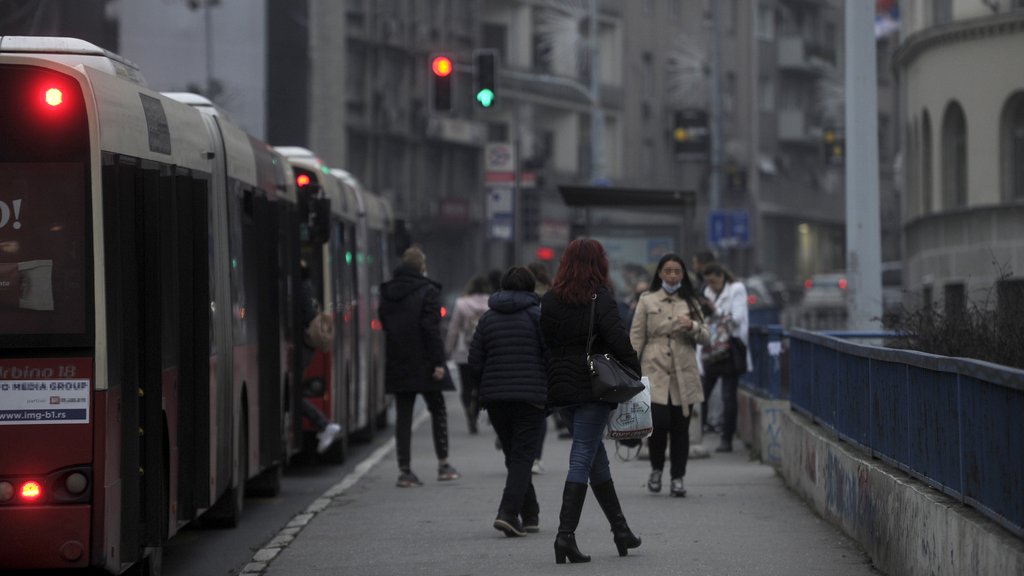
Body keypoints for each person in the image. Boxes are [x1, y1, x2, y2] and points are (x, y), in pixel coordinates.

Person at [540, 238, 642, 564]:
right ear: (599, 263)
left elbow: (546, 342)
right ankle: (564, 536)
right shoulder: (601, 297)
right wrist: (634, 371)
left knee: (595, 455)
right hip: (592, 386)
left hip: (560, 388)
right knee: (583, 454)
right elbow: (617, 339)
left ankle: (621, 530)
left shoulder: (551, 299)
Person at [469, 266, 548, 537]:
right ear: (530, 287)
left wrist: (483, 388)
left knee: (514, 455)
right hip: (531, 397)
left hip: (495, 398)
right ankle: (507, 512)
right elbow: (550, 356)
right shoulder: (538, 317)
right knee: (523, 455)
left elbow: (474, 360)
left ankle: (531, 513)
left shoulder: (488, 318)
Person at [629, 254, 710, 497]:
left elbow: (706, 335)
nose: (672, 275)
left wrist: (692, 326)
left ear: (683, 274)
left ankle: (677, 477)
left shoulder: (691, 302)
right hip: (653, 368)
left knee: (681, 428)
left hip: (683, 368)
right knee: (658, 424)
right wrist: (631, 370)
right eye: (667, 271)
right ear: (660, 274)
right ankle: (656, 469)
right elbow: (636, 336)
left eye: (677, 271)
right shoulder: (647, 300)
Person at [378, 246, 461, 486]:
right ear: (422, 267)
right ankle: (443, 464)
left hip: (398, 360)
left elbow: (384, 322)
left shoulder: (387, 292)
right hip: (424, 361)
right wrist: (438, 362)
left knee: (403, 416)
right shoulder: (428, 291)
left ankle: (405, 470)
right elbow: (430, 329)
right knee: (438, 409)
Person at [699, 262, 750, 453]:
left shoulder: (736, 289)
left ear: (722, 277)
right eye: (708, 282)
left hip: (730, 351)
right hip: (711, 350)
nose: (711, 286)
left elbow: (737, 318)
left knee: (729, 396)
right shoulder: (708, 292)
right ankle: (696, 433)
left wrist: (715, 311)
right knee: (701, 394)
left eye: (714, 281)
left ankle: (726, 438)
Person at [298, 260, 341, 454]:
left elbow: (307, 316)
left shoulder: (302, 289)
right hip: (307, 348)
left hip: (304, 347)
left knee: (292, 394)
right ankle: (324, 424)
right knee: (292, 393)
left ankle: (324, 424)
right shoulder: (308, 287)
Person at [444, 274, 491, 434]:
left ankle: (468, 413)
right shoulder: (490, 303)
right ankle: (475, 411)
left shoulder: (461, 304)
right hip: (484, 352)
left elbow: (453, 329)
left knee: (465, 387)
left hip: (464, 351)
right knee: (479, 387)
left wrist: (448, 350)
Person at [526, 261, 555, 472]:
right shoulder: (552, 296)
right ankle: (536, 457)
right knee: (540, 411)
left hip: (520, 357)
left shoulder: (518, 297)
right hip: (542, 362)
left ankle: (519, 449)